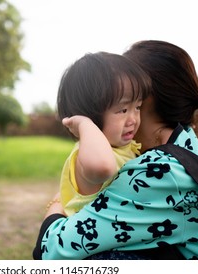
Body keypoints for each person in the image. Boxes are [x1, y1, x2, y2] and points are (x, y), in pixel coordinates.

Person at [33, 40, 198, 260]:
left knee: (99, 260)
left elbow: (52, 250)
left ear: (143, 99)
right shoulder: (188, 147)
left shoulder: (160, 172)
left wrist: (58, 202)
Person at [56, 52, 150, 217]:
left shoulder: (127, 148)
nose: (133, 119)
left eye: (138, 107)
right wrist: (85, 124)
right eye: (123, 110)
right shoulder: (86, 157)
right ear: (90, 115)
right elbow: (103, 168)